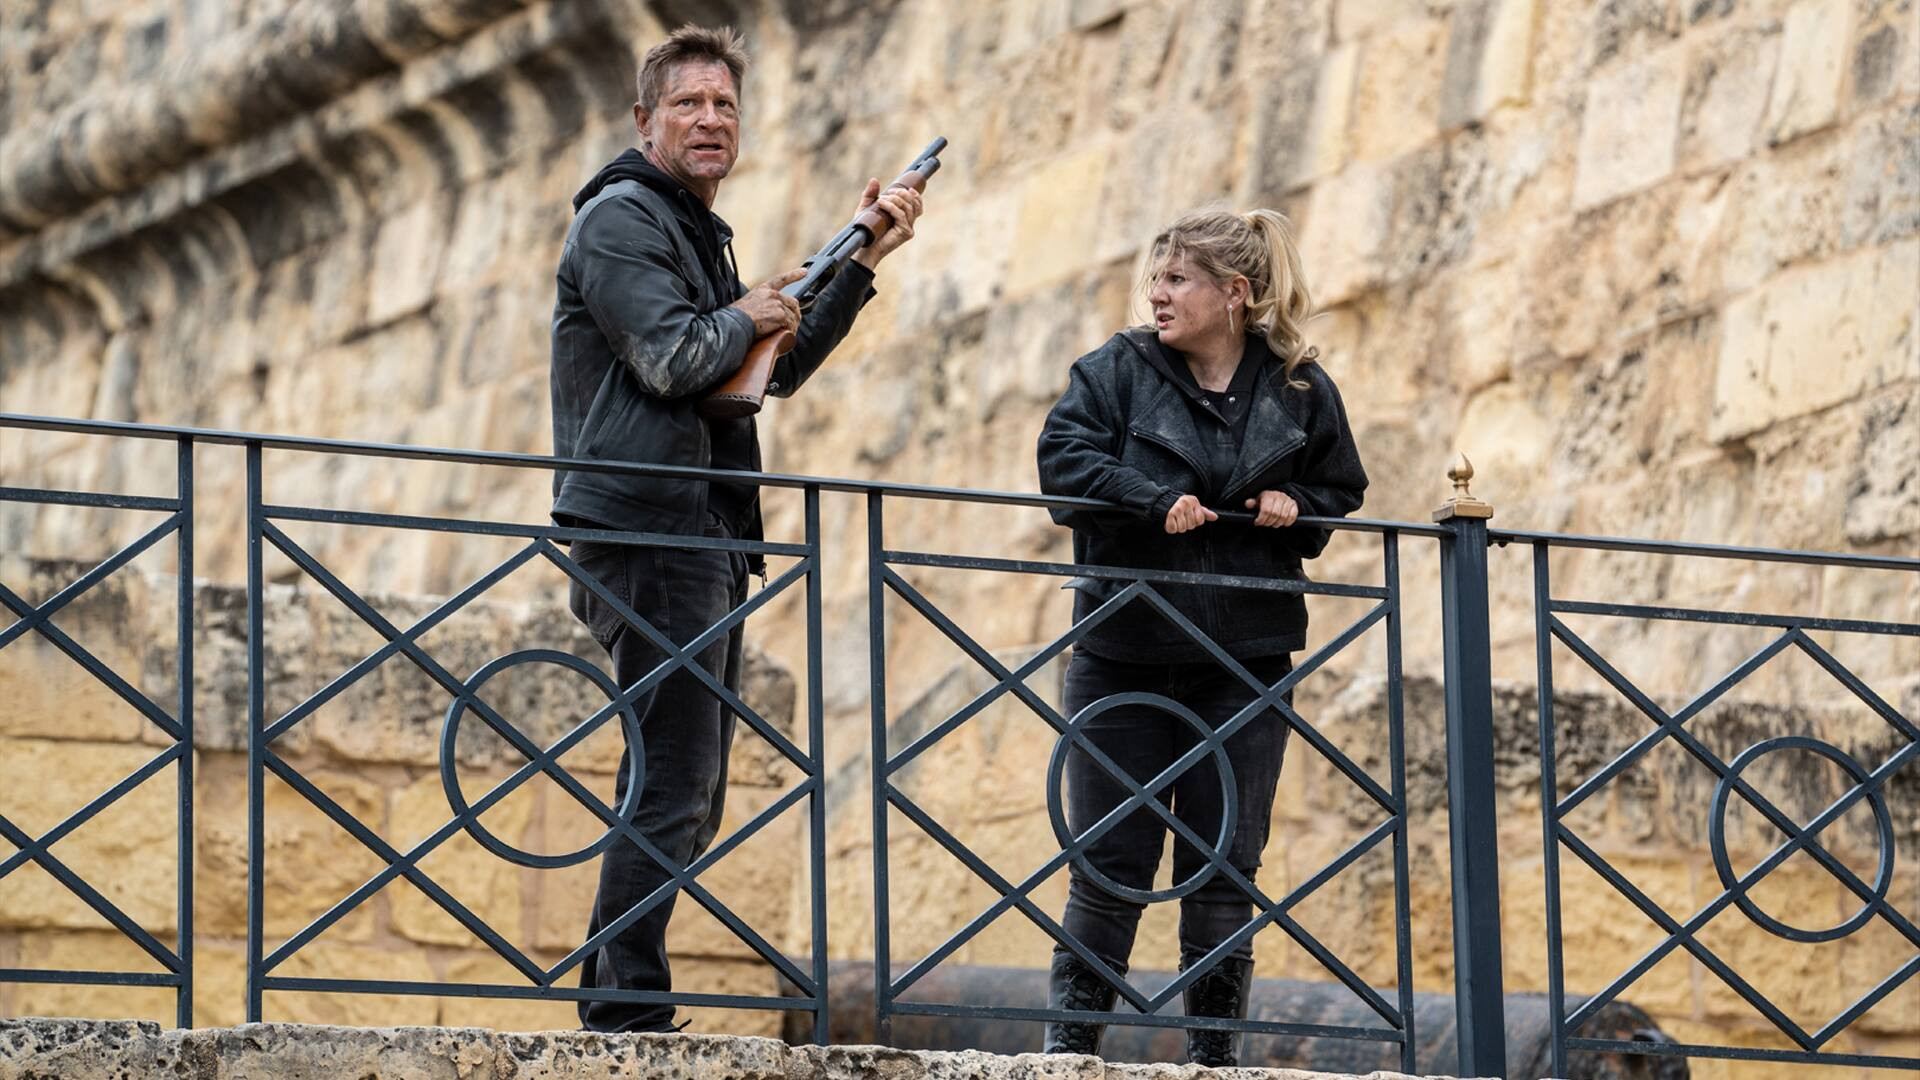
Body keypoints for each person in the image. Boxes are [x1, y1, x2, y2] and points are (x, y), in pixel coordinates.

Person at [548, 24, 923, 1033]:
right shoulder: (623, 220)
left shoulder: (688, 227)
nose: (711, 119)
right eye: (689, 104)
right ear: (646, 121)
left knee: (688, 786)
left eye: (725, 105)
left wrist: (858, 258)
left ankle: (616, 993)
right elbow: (674, 359)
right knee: (675, 778)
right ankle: (624, 1011)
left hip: (697, 531)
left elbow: (766, 372)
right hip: (647, 527)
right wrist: (751, 314)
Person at [1034, 207, 1367, 1066]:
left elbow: (1340, 487)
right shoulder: (1115, 369)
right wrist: (1148, 498)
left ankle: (1213, 1061)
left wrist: (1297, 505)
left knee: (1224, 868)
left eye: (1177, 279)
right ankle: (1067, 1058)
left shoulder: (1299, 387)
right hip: (1123, 654)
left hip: (1244, 662)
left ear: (1235, 293)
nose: (1158, 294)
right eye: (1158, 277)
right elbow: (1063, 466)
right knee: (1108, 864)